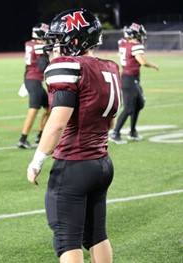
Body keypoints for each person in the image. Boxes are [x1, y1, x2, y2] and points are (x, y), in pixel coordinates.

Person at [26, 8, 119, 263]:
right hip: (102, 162)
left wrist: (36, 161)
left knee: (67, 239)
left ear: (74, 40)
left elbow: (56, 124)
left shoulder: (67, 66)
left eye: (59, 39)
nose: (56, 45)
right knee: (96, 235)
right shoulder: (110, 68)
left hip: (74, 165)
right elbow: (109, 122)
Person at [109, 22, 159, 144]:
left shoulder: (122, 43)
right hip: (129, 78)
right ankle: (115, 133)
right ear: (135, 35)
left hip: (131, 78)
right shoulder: (135, 46)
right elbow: (142, 61)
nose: (141, 36)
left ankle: (132, 132)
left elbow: (123, 51)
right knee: (128, 108)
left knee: (139, 104)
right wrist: (154, 65)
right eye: (140, 34)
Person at [17, 22, 51, 149]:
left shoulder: (29, 43)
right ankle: (23, 138)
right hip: (34, 79)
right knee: (34, 109)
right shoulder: (39, 46)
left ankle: (41, 135)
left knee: (49, 107)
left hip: (30, 78)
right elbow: (43, 66)